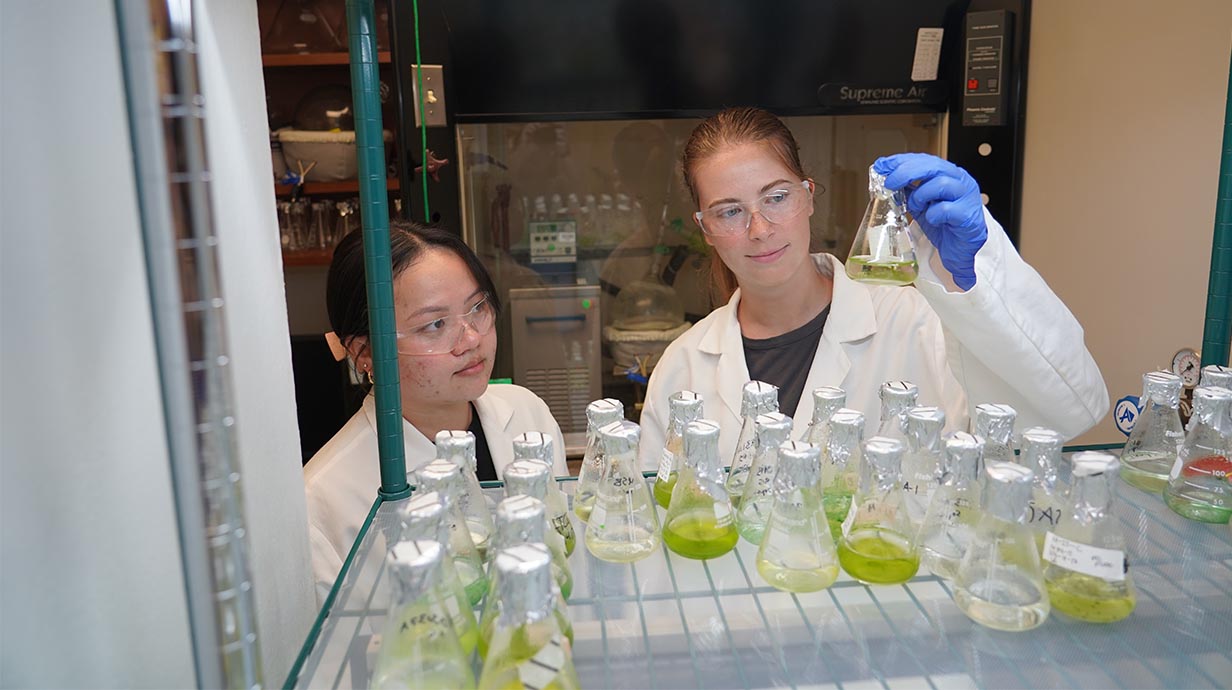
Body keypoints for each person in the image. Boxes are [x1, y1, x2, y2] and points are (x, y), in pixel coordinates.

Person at [638, 107, 1109, 469]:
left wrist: (975, 275)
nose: (759, 229)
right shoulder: (683, 368)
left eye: (776, 197)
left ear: (808, 197)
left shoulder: (918, 321)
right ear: (706, 228)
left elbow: (1066, 413)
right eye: (729, 211)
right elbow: (653, 527)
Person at [304, 220, 567, 598]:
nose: (472, 339)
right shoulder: (325, 498)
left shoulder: (527, 413)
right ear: (365, 353)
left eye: (477, 307)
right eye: (435, 324)